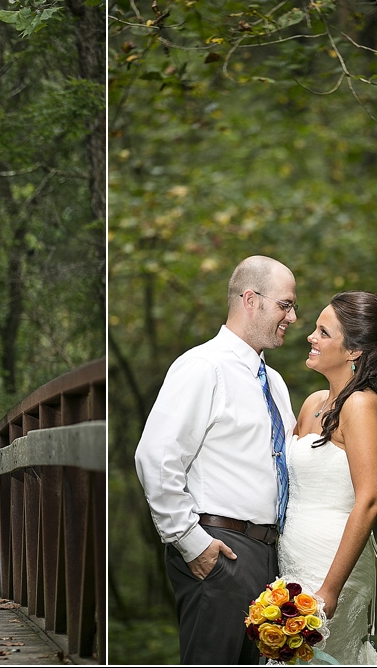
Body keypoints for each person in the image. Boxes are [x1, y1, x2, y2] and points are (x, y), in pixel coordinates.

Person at [134, 255, 298, 665]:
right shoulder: (202, 367)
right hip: (221, 551)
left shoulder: (273, 382)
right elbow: (155, 456)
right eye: (285, 304)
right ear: (250, 299)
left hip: (270, 559)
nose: (293, 317)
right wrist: (192, 544)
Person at [278, 291, 377, 664]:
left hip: (333, 567)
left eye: (323, 332)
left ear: (354, 351)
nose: (310, 337)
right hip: (292, 561)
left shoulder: (361, 404)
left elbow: (370, 499)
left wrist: (330, 589)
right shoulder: (314, 402)